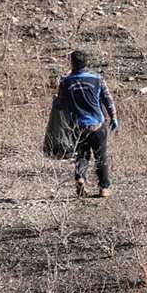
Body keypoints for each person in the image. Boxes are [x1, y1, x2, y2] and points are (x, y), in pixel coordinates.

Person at [56, 50, 118, 198]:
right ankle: (104, 188)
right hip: (97, 124)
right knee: (100, 156)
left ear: (72, 63)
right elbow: (107, 100)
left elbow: (60, 105)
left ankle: (80, 177)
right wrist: (114, 117)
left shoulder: (65, 81)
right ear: (86, 63)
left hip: (77, 126)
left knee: (82, 155)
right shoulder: (97, 79)